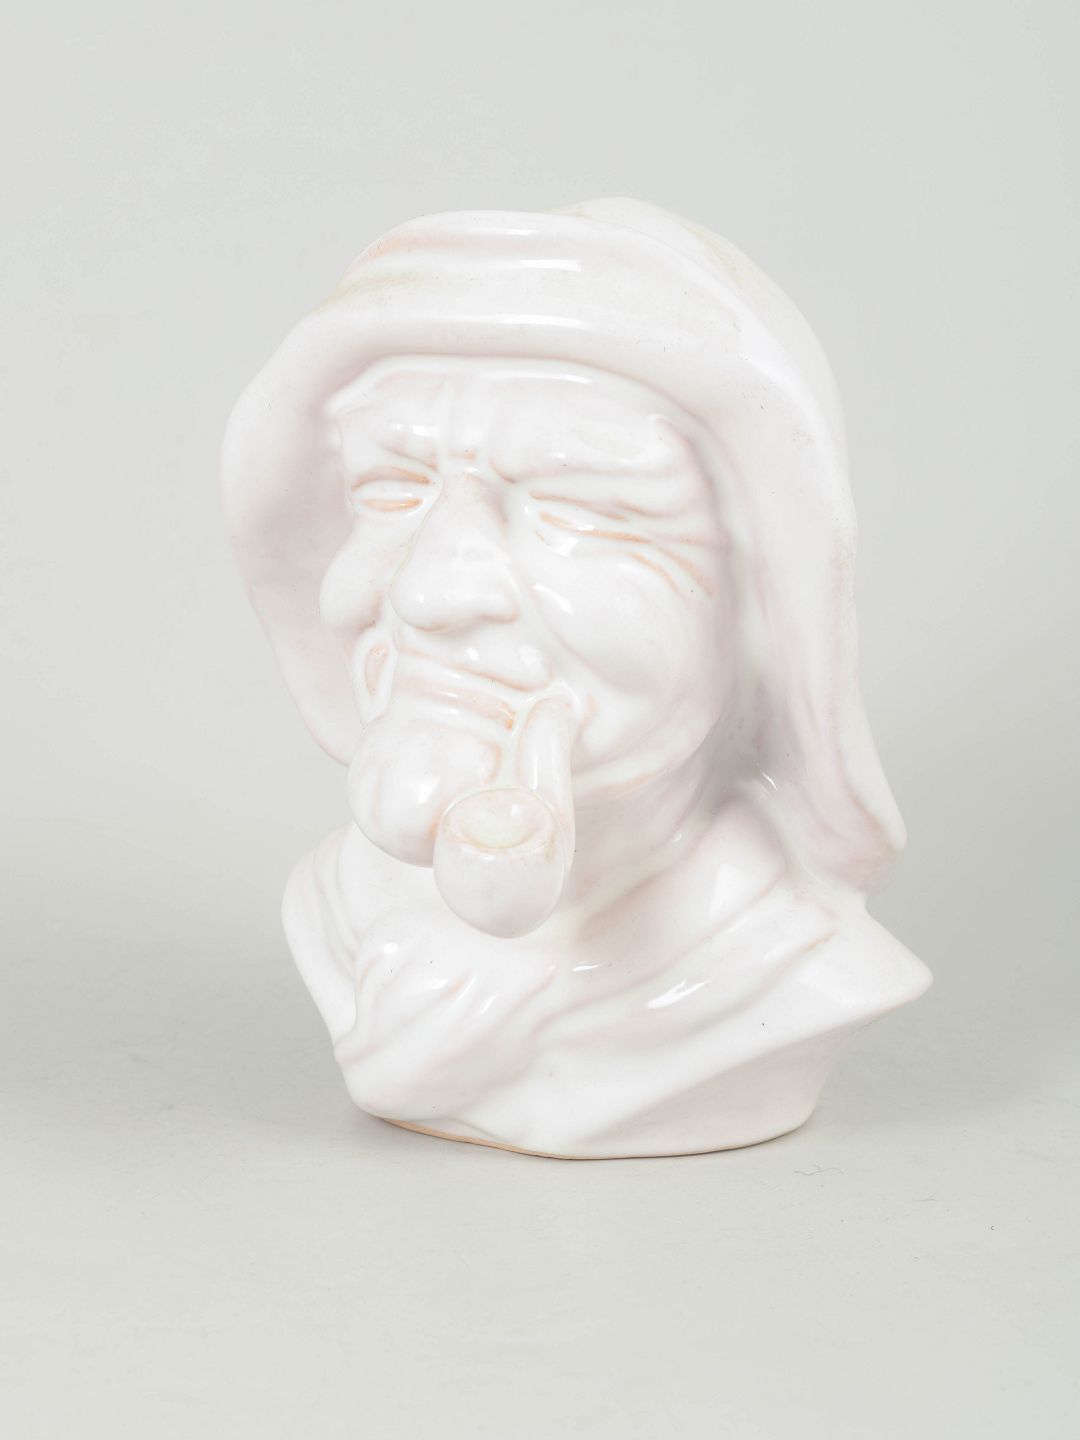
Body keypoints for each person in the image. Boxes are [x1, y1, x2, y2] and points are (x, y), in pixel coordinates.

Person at [222, 199, 930, 1157]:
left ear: (761, 602)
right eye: (392, 491)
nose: (431, 593)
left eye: (578, 512)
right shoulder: (340, 909)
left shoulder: (785, 965)